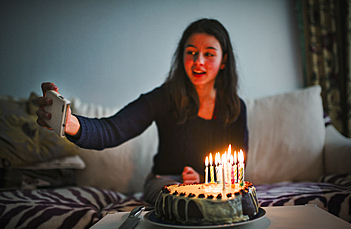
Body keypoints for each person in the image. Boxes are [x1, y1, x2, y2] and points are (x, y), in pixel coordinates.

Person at [36, 18, 248, 204]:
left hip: (214, 187)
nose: (198, 61)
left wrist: (203, 179)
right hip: (166, 184)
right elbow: (114, 129)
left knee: (239, 202)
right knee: (186, 203)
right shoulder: (164, 98)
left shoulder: (235, 108)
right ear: (181, 55)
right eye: (191, 52)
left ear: (224, 61)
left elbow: (238, 167)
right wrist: (72, 124)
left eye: (209, 54)